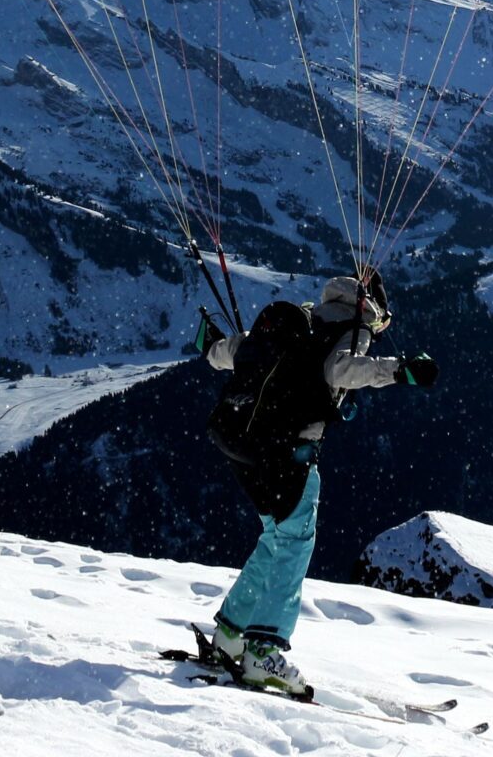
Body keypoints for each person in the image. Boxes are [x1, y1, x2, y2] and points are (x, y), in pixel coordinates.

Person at [185, 269, 438, 698]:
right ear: (373, 306)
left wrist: (209, 346)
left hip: (242, 442)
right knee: (295, 543)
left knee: (276, 538)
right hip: (288, 451)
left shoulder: (302, 320)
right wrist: (400, 371)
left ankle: (229, 636)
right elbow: (343, 370)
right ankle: (264, 649)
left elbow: (234, 351)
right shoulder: (353, 329)